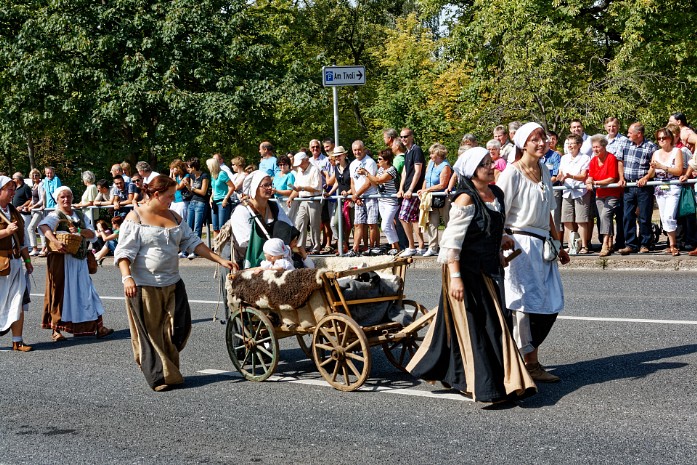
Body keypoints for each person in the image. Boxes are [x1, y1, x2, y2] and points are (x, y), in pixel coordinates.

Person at [406, 148, 536, 403]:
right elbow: (452, 244)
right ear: (473, 171)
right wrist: (455, 277)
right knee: (481, 327)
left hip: (486, 268)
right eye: (485, 164)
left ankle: (456, 374)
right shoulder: (465, 199)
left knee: (485, 324)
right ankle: (490, 388)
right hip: (463, 269)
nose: (492, 167)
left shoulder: (495, 193)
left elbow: (491, 226)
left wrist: (501, 242)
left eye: (491, 163)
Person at [115, 175, 236, 391]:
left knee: (179, 328)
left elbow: (193, 243)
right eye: (169, 196)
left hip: (172, 282)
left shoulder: (175, 216)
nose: (172, 199)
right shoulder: (136, 218)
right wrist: (127, 278)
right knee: (149, 333)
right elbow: (124, 253)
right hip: (144, 285)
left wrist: (220, 260)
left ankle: (166, 369)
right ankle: (158, 377)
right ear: (155, 194)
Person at [497, 122, 570, 383]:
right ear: (523, 144)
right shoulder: (512, 174)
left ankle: (527, 358)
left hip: (543, 245)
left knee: (550, 302)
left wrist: (558, 243)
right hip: (519, 245)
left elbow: (549, 211)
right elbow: (499, 213)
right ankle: (527, 363)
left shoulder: (545, 169)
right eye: (535, 139)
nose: (542, 143)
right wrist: (502, 239)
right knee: (524, 306)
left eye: (543, 138)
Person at [39, 186, 114, 341]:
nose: (66, 200)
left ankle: (99, 327)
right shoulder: (55, 215)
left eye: (68, 196)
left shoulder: (80, 215)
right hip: (62, 262)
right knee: (60, 293)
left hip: (79, 261)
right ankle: (56, 330)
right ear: (57, 200)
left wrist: (79, 231)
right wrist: (55, 241)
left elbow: (92, 234)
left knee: (88, 293)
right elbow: (43, 226)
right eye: (62, 197)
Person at [228, 170, 297, 269]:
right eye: (265, 185)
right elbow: (247, 244)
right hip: (250, 260)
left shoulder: (274, 206)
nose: (270, 188)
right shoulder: (242, 211)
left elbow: (289, 229)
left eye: (271, 184)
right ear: (255, 187)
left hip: (276, 258)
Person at [0, 176, 34, 351]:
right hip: (0, 265)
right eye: (9, 189)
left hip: (15, 263)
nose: (13, 192)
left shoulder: (13, 211)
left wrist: (27, 260)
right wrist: (5, 231)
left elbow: (22, 240)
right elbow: (9, 233)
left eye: (13, 189)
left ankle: (17, 341)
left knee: (18, 301)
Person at [617, 122, 658, 254]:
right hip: (628, 185)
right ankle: (630, 244)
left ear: (638, 134)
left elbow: (653, 166)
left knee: (644, 216)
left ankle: (645, 243)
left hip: (644, 187)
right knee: (627, 216)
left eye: (630, 132)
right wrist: (621, 177)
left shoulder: (650, 146)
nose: (628, 134)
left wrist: (646, 178)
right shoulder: (625, 144)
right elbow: (620, 162)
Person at [647, 127, 684, 255]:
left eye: (664, 138)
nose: (661, 140)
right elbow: (651, 173)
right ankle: (670, 243)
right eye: (659, 138)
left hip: (673, 186)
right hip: (660, 188)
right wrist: (650, 170)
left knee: (669, 216)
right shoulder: (656, 153)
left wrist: (662, 166)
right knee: (663, 217)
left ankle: (673, 245)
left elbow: (679, 170)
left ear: (670, 138)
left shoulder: (676, 151)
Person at [586, 134, 622, 257]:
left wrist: (595, 182)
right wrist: (589, 181)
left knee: (606, 214)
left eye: (597, 147)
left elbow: (611, 178)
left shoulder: (611, 158)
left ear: (604, 146)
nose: (595, 150)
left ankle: (605, 244)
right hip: (600, 193)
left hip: (612, 193)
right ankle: (610, 242)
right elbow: (590, 175)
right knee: (603, 218)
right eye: (593, 147)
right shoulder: (593, 160)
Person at [558, 134, 592, 254]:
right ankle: (571, 244)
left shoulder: (585, 158)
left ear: (579, 145)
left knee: (581, 220)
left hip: (580, 192)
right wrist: (560, 177)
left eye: (572, 143)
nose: (570, 146)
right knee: (566, 220)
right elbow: (561, 173)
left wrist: (570, 176)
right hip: (567, 192)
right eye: (568, 143)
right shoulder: (564, 158)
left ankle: (584, 246)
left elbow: (583, 176)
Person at [418, 143, 453, 257]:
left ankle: (450, 246)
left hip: (444, 198)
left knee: (448, 221)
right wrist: (423, 191)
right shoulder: (431, 163)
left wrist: (427, 190)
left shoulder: (445, 166)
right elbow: (426, 179)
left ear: (438, 154)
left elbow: (443, 184)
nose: (430, 155)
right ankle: (432, 247)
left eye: (432, 153)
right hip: (430, 197)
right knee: (432, 223)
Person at [365, 148, 401, 255]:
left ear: (386, 160)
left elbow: (379, 180)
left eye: (380, 159)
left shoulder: (391, 170)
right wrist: (370, 176)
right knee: (389, 226)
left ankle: (397, 247)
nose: (378, 161)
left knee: (385, 226)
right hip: (382, 200)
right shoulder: (380, 169)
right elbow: (375, 182)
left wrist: (367, 174)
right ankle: (395, 248)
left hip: (391, 202)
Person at [397, 128, 426, 257]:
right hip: (408, 189)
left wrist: (410, 189)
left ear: (411, 136)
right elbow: (404, 172)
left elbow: (418, 171)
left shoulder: (416, 150)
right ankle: (420, 245)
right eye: (401, 137)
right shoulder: (407, 152)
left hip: (415, 190)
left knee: (403, 217)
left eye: (405, 136)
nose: (403, 139)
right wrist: (401, 188)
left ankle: (411, 246)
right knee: (413, 219)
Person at [287, 151, 323, 253]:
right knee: (299, 223)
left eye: (300, 164)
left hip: (314, 200)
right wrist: (291, 197)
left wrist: (302, 188)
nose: (299, 166)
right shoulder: (299, 171)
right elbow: (296, 187)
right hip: (303, 200)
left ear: (306, 160)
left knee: (314, 225)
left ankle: (315, 247)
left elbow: (317, 187)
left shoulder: (314, 170)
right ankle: (299, 246)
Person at [348, 141, 379, 256]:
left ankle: (372, 247)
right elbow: (352, 182)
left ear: (364, 149)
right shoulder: (352, 164)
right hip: (358, 198)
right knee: (358, 224)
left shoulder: (370, 162)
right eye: (355, 150)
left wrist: (356, 195)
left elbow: (368, 183)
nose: (357, 152)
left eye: (359, 149)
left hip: (370, 196)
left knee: (371, 223)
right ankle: (355, 248)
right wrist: (356, 197)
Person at [325, 146, 352, 254]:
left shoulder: (351, 166)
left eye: (339, 155)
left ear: (345, 155)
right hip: (340, 199)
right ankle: (342, 243)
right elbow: (337, 182)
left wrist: (349, 192)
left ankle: (349, 246)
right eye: (336, 156)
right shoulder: (336, 167)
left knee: (350, 223)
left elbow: (354, 183)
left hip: (350, 199)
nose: (337, 158)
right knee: (334, 223)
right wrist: (329, 193)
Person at [207, 157, 235, 238]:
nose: (208, 167)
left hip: (222, 202)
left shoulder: (222, 174)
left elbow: (232, 187)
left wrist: (226, 198)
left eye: (208, 165)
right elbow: (214, 188)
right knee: (215, 227)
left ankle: (223, 247)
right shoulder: (213, 175)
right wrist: (211, 197)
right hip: (215, 202)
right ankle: (216, 248)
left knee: (222, 227)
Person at [185, 157, 210, 249]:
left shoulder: (204, 176)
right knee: (188, 227)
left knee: (197, 227)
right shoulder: (192, 176)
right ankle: (187, 248)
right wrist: (188, 186)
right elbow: (192, 191)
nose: (188, 169)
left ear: (194, 167)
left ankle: (195, 249)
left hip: (201, 203)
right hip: (192, 202)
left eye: (189, 167)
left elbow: (203, 192)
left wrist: (191, 187)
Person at [11, 173, 33, 253]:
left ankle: (30, 247)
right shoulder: (15, 188)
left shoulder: (25, 187)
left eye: (13, 178)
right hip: (16, 212)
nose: (12, 180)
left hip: (24, 213)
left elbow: (30, 199)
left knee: (26, 229)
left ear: (18, 179)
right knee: (19, 229)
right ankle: (22, 245)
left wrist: (22, 206)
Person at [26, 169, 46, 256]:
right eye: (33, 175)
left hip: (39, 211)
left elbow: (42, 199)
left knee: (30, 228)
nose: (35, 177)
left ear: (39, 175)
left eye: (36, 175)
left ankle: (35, 248)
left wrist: (33, 206)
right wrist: (28, 206)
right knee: (40, 229)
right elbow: (33, 199)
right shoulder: (34, 185)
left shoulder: (41, 185)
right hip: (34, 210)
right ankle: (43, 248)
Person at [169, 159, 190, 223]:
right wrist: (171, 174)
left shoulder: (186, 176)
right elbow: (169, 185)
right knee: (172, 220)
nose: (173, 170)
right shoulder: (176, 176)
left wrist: (174, 177)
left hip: (182, 201)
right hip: (174, 201)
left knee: (181, 221)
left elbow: (178, 187)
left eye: (174, 168)